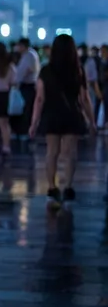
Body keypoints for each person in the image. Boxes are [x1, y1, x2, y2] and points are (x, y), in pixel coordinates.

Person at [31, 34, 91, 206]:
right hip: (72, 115)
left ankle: (52, 188)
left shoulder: (46, 71)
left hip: (52, 115)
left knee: (52, 152)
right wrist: (92, 120)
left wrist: (34, 122)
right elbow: (84, 98)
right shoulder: (78, 70)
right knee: (70, 153)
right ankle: (68, 187)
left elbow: (40, 98)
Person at [12, 38, 39, 147]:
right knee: (25, 109)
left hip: (27, 86)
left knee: (26, 109)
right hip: (27, 85)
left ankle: (25, 132)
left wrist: (16, 82)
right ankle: (23, 131)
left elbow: (25, 71)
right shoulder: (29, 54)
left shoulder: (29, 55)